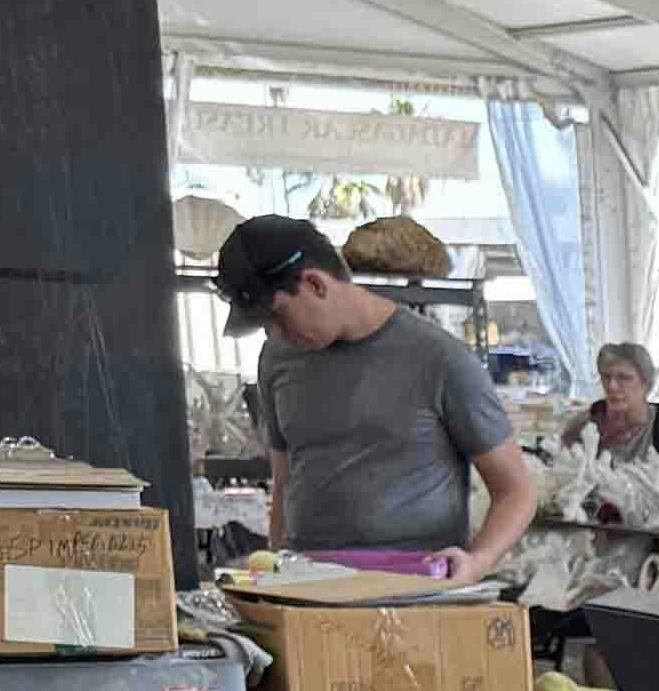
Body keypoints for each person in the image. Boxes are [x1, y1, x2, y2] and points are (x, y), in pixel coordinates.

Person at [218, 213, 535, 581]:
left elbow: (516, 492)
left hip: (414, 589)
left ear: (315, 285)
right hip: (309, 584)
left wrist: (477, 562)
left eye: (277, 317)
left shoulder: (440, 360)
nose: (274, 334)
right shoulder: (277, 358)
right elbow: (284, 475)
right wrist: (275, 564)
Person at [577, 342, 659, 481]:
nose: (612, 386)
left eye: (624, 378)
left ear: (645, 384)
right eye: (606, 377)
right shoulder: (588, 420)